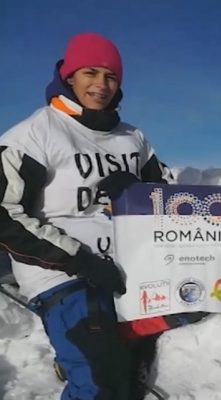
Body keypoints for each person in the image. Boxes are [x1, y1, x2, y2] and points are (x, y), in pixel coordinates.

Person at [0, 32, 205, 399]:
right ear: (69, 76)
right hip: (64, 272)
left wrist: (137, 190)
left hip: (130, 263)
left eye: (111, 76)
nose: (101, 84)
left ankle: (90, 353)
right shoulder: (34, 134)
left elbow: (169, 197)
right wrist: (79, 260)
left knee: (195, 305)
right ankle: (88, 358)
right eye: (90, 73)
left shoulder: (133, 138)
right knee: (103, 384)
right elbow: (4, 214)